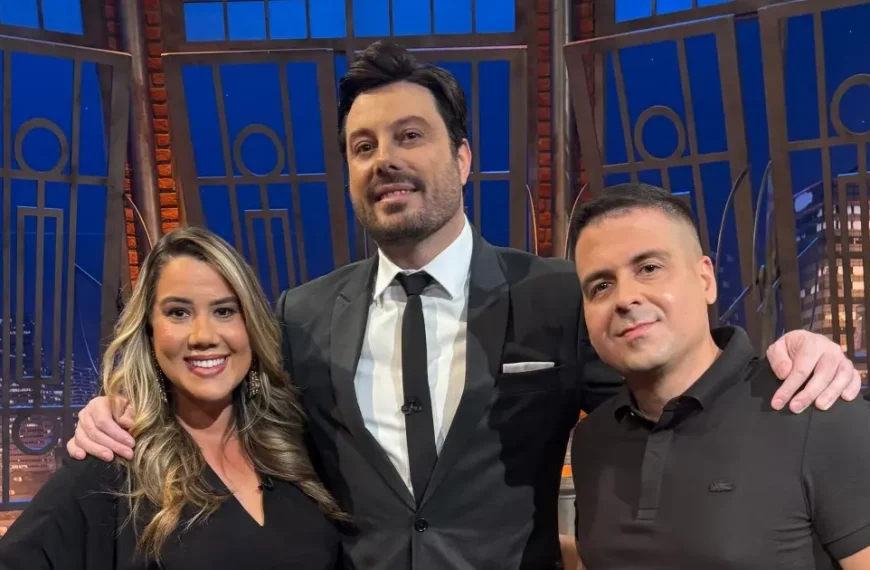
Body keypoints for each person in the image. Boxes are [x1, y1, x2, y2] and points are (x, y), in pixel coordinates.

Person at [68, 42, 861, 570]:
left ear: (463, 157)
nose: (385, 160)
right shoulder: (301, 314)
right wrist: (118, 410)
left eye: (410, 136)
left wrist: (790, 353)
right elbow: (230, 418)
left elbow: (672, 384)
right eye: (363, 146)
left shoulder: (558, 294)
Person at [0, 228, 343, 569]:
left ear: (250, 326)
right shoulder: (114, 460)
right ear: (149, 331)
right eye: (179, 312)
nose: (203, 336)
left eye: (224, 311)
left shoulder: (298, 441)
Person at [570, 183, 870, 569]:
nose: (624, 298)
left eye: (649, 268)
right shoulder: (593, 441)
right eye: (601, 286)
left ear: (706, 280)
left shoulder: (814, 408)